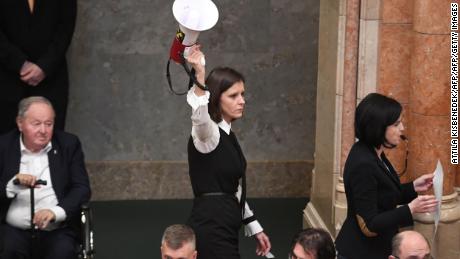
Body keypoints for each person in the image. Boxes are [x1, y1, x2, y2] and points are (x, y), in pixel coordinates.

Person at [184, 45, 271, 258]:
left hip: (227, 225)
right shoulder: (207, 134)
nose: (242, 100)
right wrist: (200, 75)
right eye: (233, 96)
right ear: (216, 98)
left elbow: (232, 188)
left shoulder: (227, 134)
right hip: (211, 228)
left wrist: (254, 226)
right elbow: (199, 116)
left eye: (242, 94)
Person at [335, 93, 438, 259]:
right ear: (378, 127)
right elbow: (370, 224)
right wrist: (411, 209)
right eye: (396, 124)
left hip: (377, 247)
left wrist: (413, 187)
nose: (402, 128)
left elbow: (382, 196)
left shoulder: (374, 151)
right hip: (362, 252)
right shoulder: (363, 164)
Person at [0, 96, 91, 259]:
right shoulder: (4, 146)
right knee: (8, 249)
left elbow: (81, 188)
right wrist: (11, 186)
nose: (43, 130)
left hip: (56, 230)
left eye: (48, 124)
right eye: (36, 124)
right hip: (12, 230)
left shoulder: (68, 144)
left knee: (63, 252)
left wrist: (56, 211)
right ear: (20, 123)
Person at [0, 0, 77, 134]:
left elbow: (66, 28)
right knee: (6, 146)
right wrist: (19, 63)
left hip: (50, 77)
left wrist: (45, 66)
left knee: (48, 144)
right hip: (6, 77)